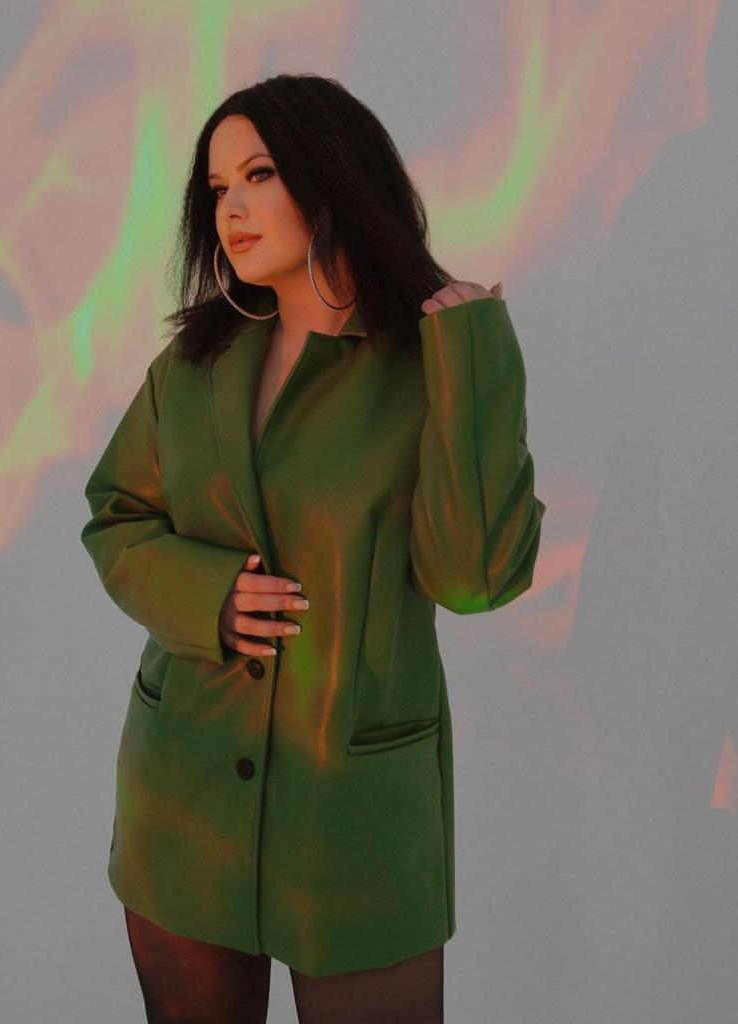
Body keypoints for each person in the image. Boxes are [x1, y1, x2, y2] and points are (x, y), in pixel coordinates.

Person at [80, 71, 545, 1023]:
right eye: (217, 187)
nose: (230, 208)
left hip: (351, 810)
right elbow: (115, 514)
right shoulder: (192, 366)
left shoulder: (430, 368)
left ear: (333, 177)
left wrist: (476, 355)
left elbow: (474, 579)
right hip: (183, 794)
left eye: (258, 175)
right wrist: (205, 595)